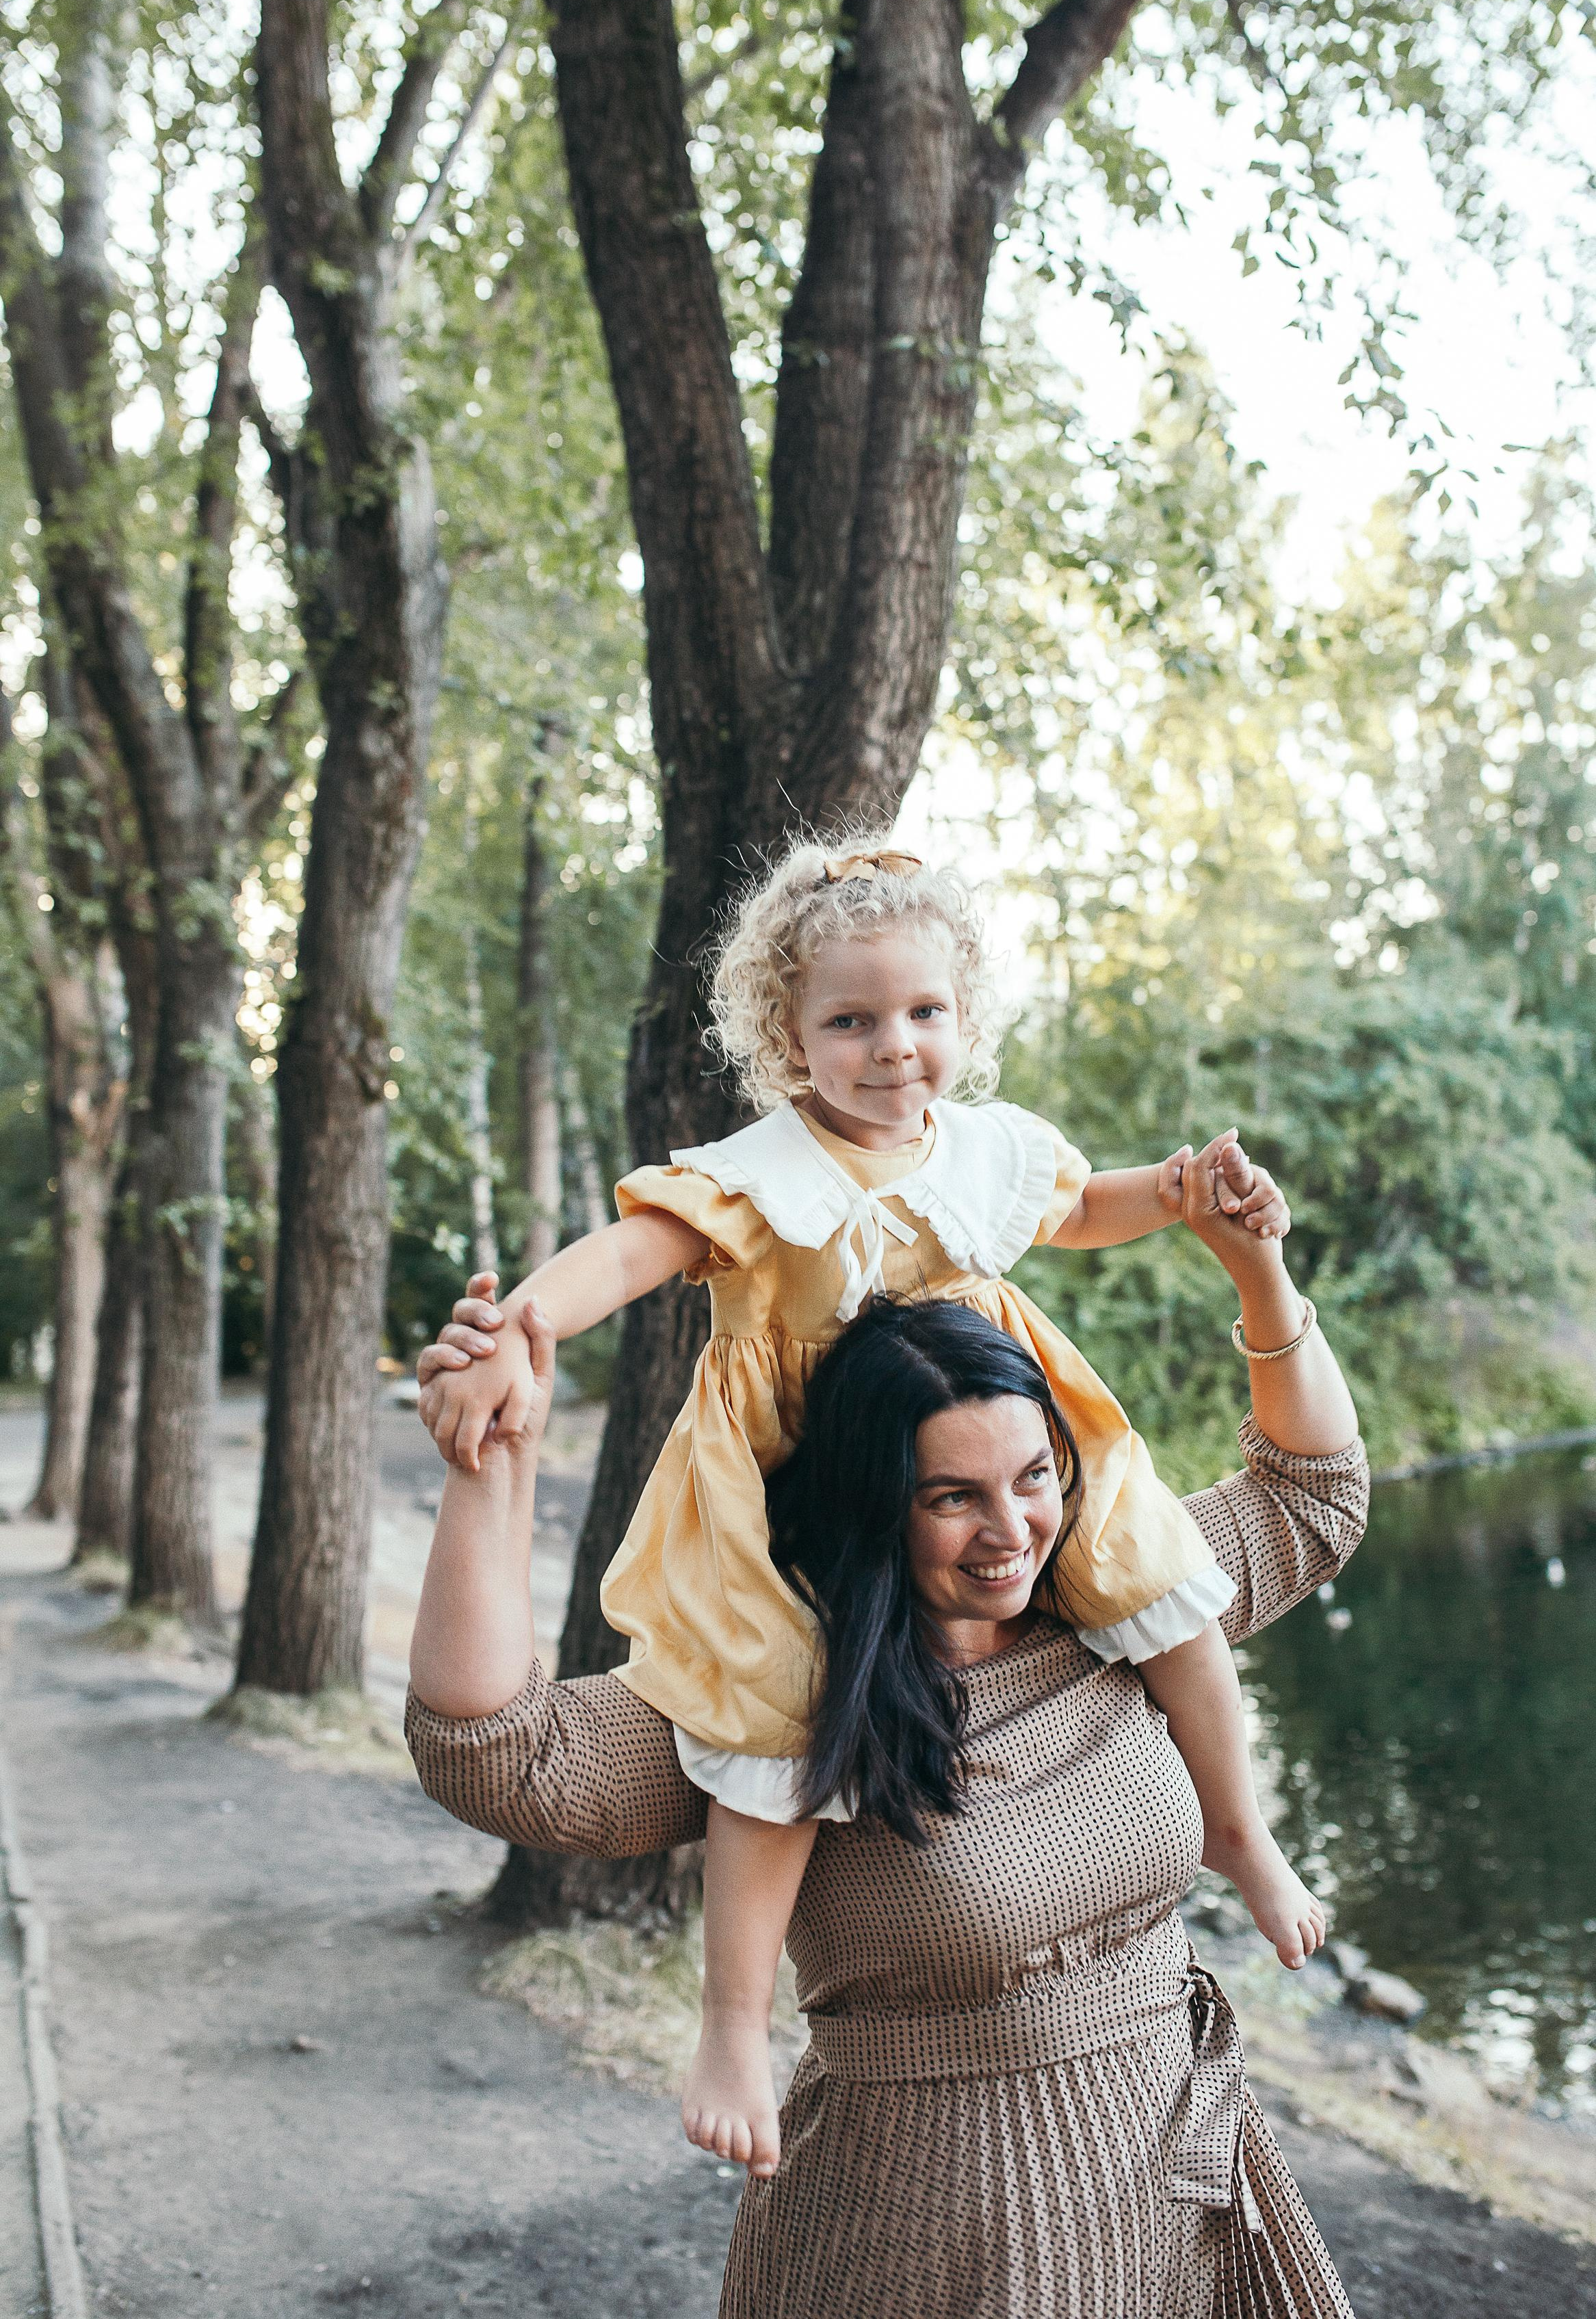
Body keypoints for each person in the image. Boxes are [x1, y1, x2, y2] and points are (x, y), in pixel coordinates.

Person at [419, 838, 1322, 2182]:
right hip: (814, 1478)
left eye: (923, 1013)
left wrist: (1187, 1200)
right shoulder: (760, 1171)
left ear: (963, 1015)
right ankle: (731, 2023)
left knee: (1161, 1571)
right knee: (777, 1714)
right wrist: (521, 1328)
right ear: (788, 1038)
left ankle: (1240, 1830)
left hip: (990, 1429)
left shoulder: (985, 1150)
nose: (893, 1048)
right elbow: (632, 1251)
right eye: (851, 1019)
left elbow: (1078, 1209)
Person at [407, 1138, 1365, 2319]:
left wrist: (1256, 1272)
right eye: (951, 1497)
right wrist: (491, 1471)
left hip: (1177, 2213)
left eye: (1033, 1477)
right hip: (915, 2258)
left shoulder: (1114, 1606)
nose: (1011, 1530)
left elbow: (1312, 1499)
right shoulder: (785, 1704)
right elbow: (501, 1759)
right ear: (873, 1507)